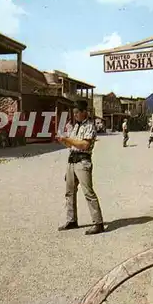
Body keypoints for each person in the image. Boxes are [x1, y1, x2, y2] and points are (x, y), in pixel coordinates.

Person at [55, 99, 104, 235]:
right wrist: (63, 140)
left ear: (84, 112)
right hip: (72, 160)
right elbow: (71, 145)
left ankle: (98, 222)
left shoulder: (90, 126)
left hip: (83, 161)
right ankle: (71, 220)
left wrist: (67, 139)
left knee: (88, 192)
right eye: (74, 112)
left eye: (77, 112)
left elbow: (84, 145)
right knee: (69, 192)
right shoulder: (75, 126)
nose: (75, 115)